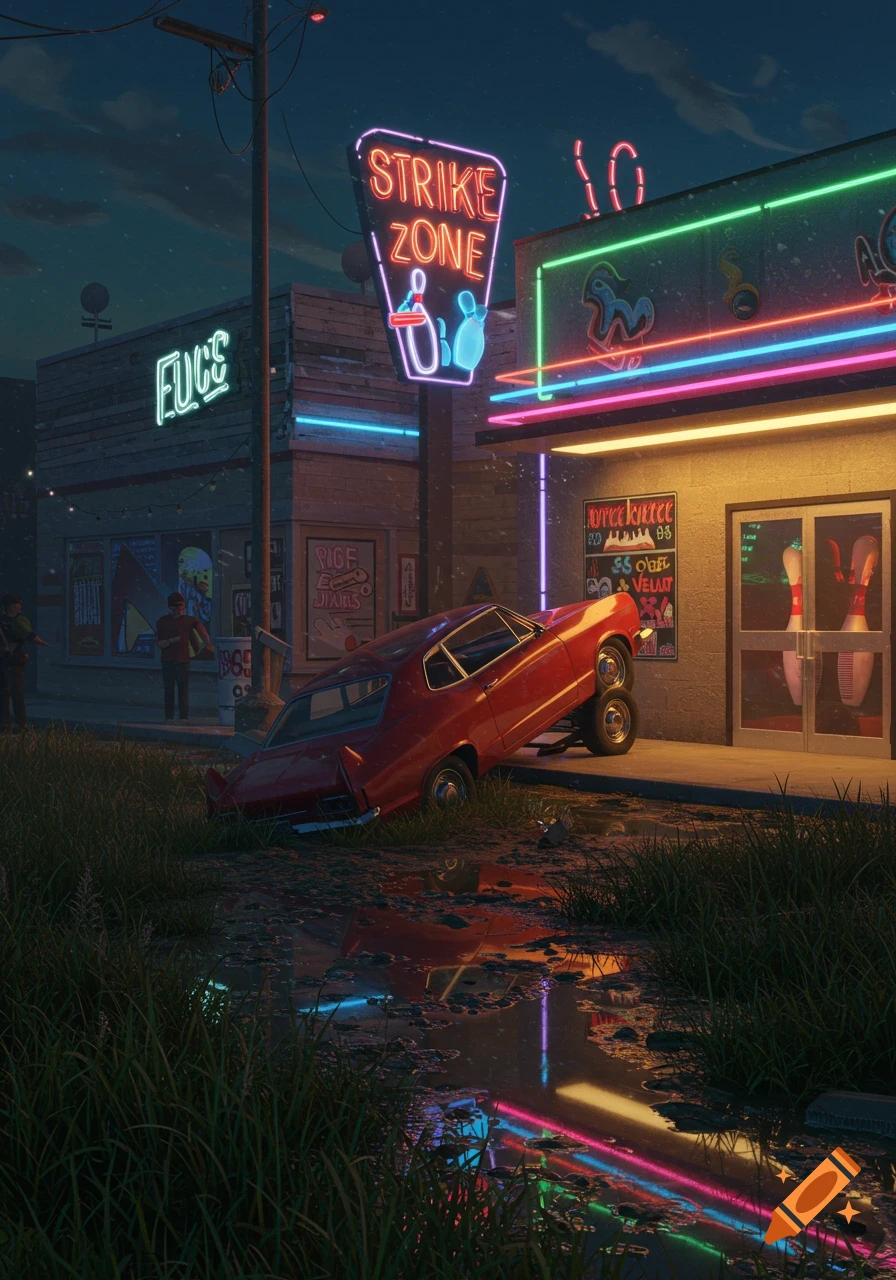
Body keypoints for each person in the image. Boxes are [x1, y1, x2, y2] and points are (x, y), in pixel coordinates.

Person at [155, 592, 214, 724]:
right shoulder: (164, 621)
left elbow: (202, 631)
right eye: (176, 607)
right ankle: (172, 717)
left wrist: (208, 643)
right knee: (171, 690)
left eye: (181, 607)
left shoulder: (188, 620)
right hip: (170, 660)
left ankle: (181, 717)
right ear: (171, 607)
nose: (179, 610)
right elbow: (159, 642)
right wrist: (171, 641)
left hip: (180, 659)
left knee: (181, 690)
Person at [0, 593, 50, 733]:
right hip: (11, 659)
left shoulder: (18, 620)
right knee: (11, 693)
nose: (19, 607)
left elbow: (27, 636)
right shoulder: (16, 620)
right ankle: (14, 725)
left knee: (10, 693)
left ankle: (13, 725)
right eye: (17, 604)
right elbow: (28, 635)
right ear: (10, 606)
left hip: (13, 659)